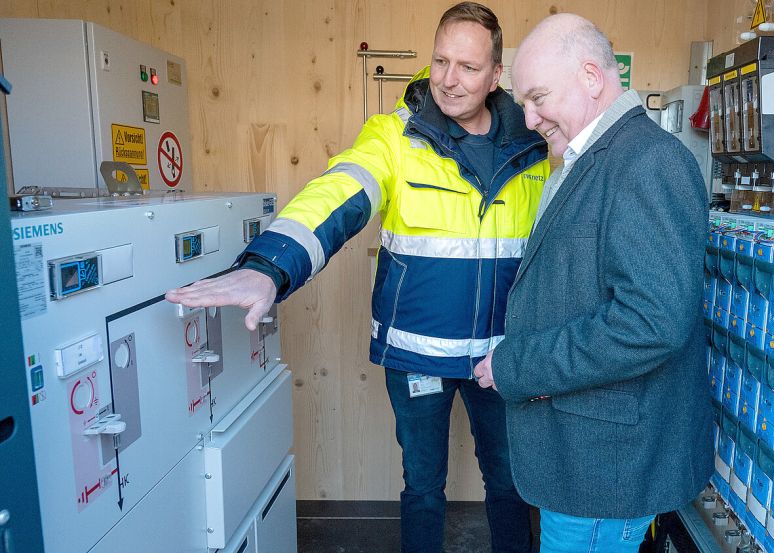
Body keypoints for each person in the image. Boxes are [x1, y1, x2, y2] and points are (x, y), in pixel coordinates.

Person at [165, 3, 549, 552]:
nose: (448, 79)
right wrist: (271, 266)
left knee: (511, 486)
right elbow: (340, 192)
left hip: (503, 354)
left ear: (496, 75)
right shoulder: (396, 135)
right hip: (418, 353)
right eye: (440, 60)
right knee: (422, 489)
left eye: (467, 66)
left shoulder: (533, 148)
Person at [472, 13, 713, 553]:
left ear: (590, 76)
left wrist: (518, 364)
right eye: (522, 103)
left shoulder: (648, 162)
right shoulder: (588, 160)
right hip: (586, 461)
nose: (529, 119)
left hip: (606, 471)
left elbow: (650, 324)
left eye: (537, 98)